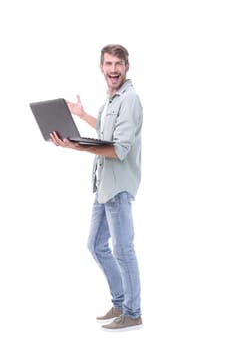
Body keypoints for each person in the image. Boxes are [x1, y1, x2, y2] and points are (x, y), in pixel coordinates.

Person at [50, 44, 143, 331]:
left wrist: (76, 147)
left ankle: (133, 312)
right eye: (108, 64)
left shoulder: (130, 100)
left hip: (118, 187)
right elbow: (104, 133)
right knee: (95, 244)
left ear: (127, 66)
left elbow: (119, 149)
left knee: (123, 250)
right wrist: (81, 114)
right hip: (102, 185)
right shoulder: (111, 99)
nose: (113, 69)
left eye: (118, 64)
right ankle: (120, 302)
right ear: (101, 67)